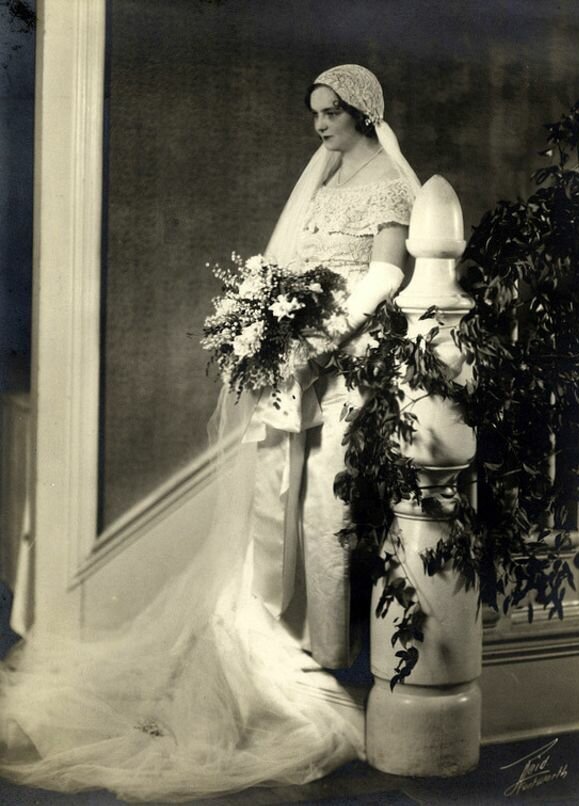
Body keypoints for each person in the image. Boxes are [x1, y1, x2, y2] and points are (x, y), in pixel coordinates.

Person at [0, 64, 421, 802]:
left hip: (351, 365)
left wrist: (319, 338)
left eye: (331, 114)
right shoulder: (322, 177)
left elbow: (385, 274)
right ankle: (269, 657)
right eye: (315, 113)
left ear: (360, 112)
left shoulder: (388, 179)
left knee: (325, 513)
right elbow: (292, 265)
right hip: (299, 361)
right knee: (271, 502)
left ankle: (318, 660)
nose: (319, 126)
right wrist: (268, 325)